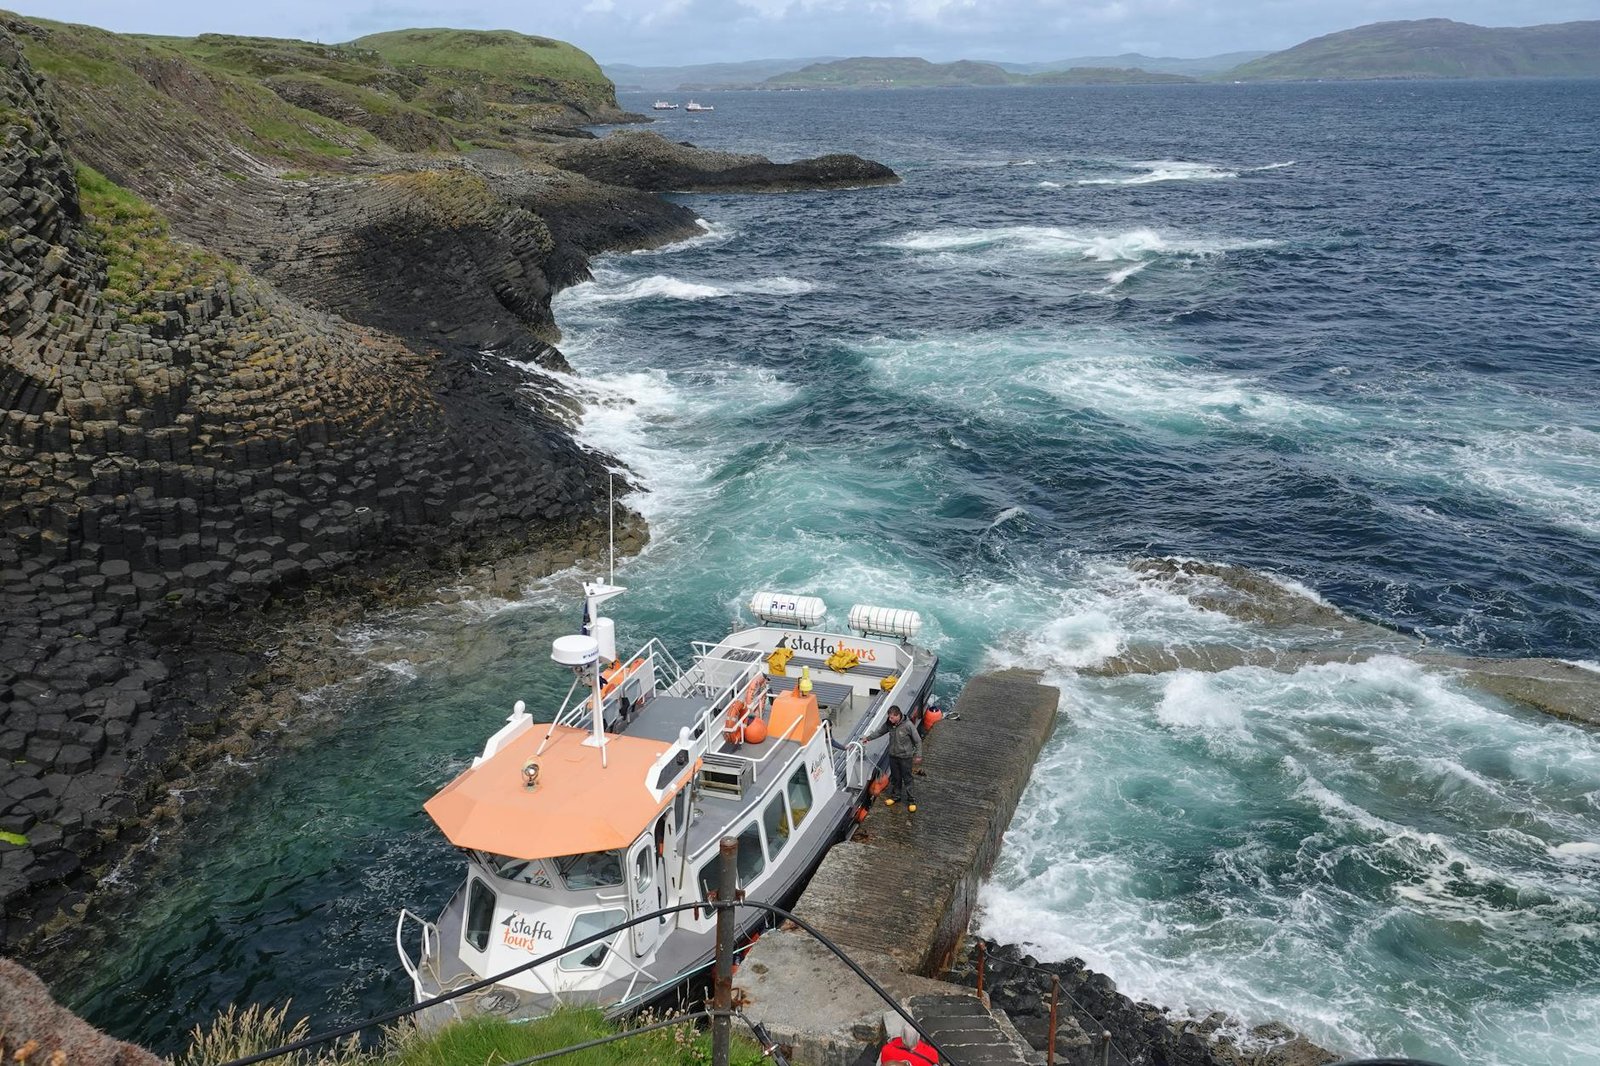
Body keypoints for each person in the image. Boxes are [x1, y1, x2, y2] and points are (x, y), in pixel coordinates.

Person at [866, 704, 922, 811]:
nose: (890, 719)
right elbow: (880, 732)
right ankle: (896, 797)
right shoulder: (889, 724)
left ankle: (911, 800)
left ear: (898, 716)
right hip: (893, 756)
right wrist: (868, 738)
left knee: (907, 778)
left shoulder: (908, 726)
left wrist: (919, 755)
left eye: (892, 717)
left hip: (905, 757)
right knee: (896, 778)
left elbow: (918, 741)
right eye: (889, 717)